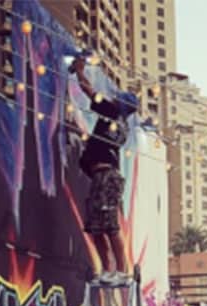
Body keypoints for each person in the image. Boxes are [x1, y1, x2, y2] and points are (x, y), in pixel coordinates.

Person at [72, 56, 139, 282]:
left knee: (109, 226)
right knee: (95, 226)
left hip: (107, 177)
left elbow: (87, 90)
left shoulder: (111, 111)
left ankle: (121, 271)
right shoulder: (122, 125)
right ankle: (108, 271)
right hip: (101, 176)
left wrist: (80, 71)